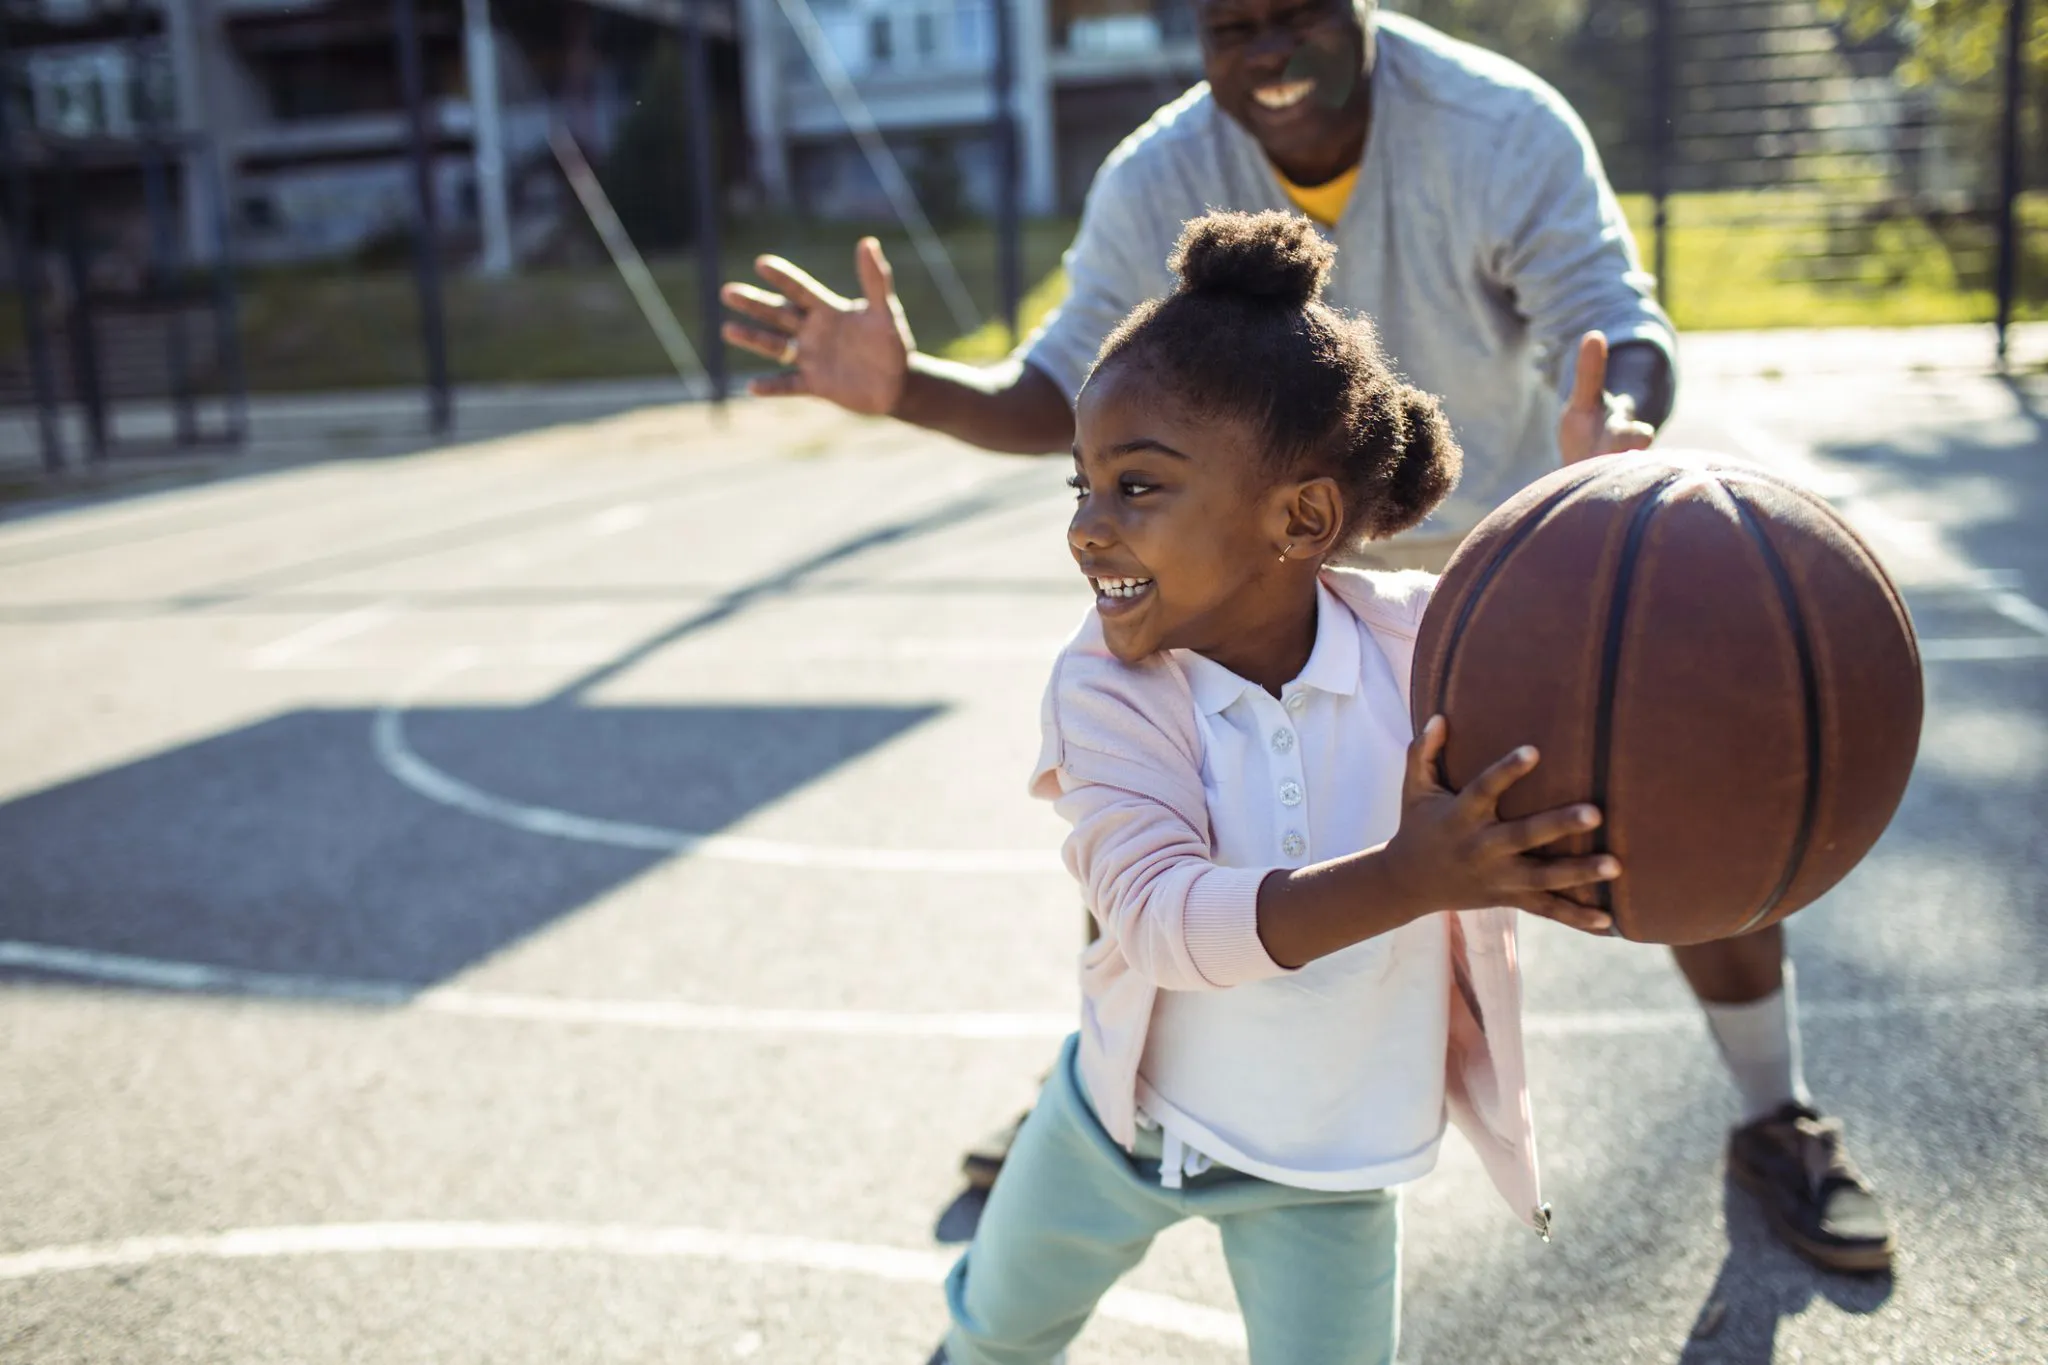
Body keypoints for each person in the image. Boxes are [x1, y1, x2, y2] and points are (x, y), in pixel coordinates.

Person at [721, 0, 1891, 1273]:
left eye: (1291, 18)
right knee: (1153, 811)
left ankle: (1772, 1110)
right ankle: (1103, 1094)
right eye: (1230, 28)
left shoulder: (1496, 125)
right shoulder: (1157, 172)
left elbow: (1611, 316)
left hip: (1487, 562)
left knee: (1665, 775)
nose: (1262, 52)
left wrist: (1610, 426)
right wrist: (908, 387)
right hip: (1234, 565)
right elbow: (1057, 386)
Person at [935, 208, 1621, 1365]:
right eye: (1081, 487)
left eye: (1136, 488)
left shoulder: (1420, 651)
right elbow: (1155, 922)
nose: (1088, 530)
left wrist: (1601, 522)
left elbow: (1569, 660)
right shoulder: (1105, 688)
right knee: (993, 1336)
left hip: (1327, 1163)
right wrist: (1408, 878)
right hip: (1121, 1127)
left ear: (1300, 518)